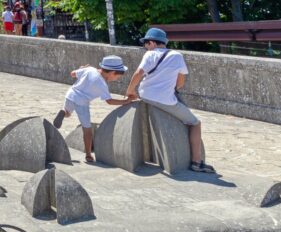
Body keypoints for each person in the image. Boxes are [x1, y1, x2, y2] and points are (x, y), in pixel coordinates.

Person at [125, 28, 214, 173]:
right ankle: (197, 162)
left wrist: (130, 91)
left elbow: (138, 73)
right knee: (195, 123)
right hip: (164, 99)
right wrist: (174, 87)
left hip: (145, 94)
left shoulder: (149, 54)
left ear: (153, 42)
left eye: (146, 43)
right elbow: (181, 80)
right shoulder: (176, 55)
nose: (146, 46)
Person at [53, 56, 132, 163]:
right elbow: (109, 101)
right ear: (112, 72)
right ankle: (88, 155)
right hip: (82, 102)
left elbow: (72, 74)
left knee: (67, 113)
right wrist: (126, 101)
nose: (117, 79)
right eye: (118, 76)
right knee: (87, 130)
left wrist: (82, 68)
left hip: (71, 94)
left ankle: (63, 111)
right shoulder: (102, 84)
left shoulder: (90, 69)